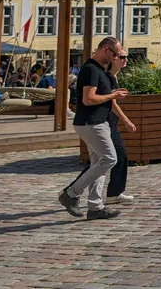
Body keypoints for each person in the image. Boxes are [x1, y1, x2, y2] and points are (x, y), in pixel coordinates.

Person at [59, 37, 126, 220]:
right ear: (105, 49)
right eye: (115, 54)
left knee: (99, 163)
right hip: (91, 122)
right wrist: (112, 95)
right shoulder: (90, 69)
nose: (115, 58)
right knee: (110, 159)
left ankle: (95, 206)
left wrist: (114, 93)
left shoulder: (100, 70)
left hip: (97, 122)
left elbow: (106, 97)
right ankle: (71, 193)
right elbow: (88, 99)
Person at [104, 51, 136, 205]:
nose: (126, 60)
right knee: (116, 157)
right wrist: (127, 121)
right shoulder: (109, 76)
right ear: (114, 59)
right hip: (107, 123)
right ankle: (73, 190)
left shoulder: (114, 77)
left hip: (111, 123)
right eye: (122, 57)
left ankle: (115, 193)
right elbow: (112, 103)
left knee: (116, 157)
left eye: (126, 57)